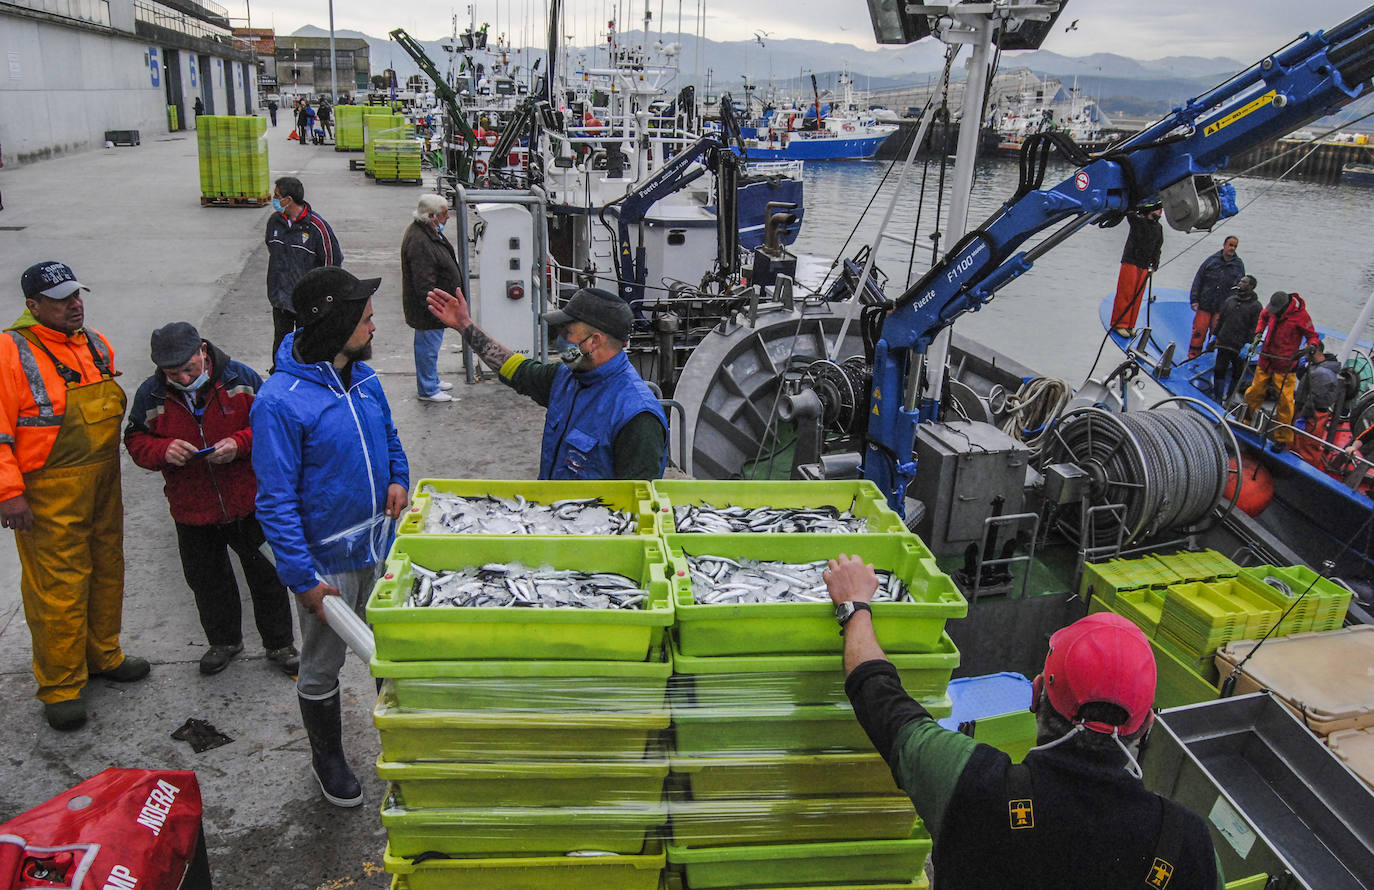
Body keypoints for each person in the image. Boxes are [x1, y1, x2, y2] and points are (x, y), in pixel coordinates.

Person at [824, 554, 1223, 889]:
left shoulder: (971, 783)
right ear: (1147, 723)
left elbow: (879, 698)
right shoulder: (1186, 842)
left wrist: (854, 606)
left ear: (1035, 694)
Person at [251, 266, 409, 807]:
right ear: (335, 323)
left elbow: (389, 433)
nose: (374, 327)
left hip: (379, 548)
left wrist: (397, 478)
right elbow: (274, 501)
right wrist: (303, 580)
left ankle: (403, 740)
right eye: (365, 319)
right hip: (327, 566)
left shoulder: (363, 376)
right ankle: (328, 756)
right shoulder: (279, 401)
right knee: (322, 665)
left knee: (387, 649)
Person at [0, 262, 148, 731]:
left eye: (76, 295)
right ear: (33, 306)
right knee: (58, 586)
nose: (74, 304)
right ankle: (61, 685)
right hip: (47, 490)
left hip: (102, 482)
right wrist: (9, 493)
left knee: (107, 567)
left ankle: (103, 654)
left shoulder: (96, 343)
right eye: (62, 299)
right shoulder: (11, 351)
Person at [124, 322, 298, 677]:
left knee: (267, 575)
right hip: (192, 510)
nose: (185, 379)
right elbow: (135, 441)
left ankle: (280, 644)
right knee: (207, 580)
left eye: (189, 368)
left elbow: (272, 426)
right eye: (174, 373)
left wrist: (239, 444)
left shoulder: (242, 380)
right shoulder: (151, 396)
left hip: (250, 504)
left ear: (203, 351)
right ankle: (224, 642)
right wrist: (163, 449)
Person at [427, 286, 668, 479]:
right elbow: (516, 369)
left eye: (566, 332)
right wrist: (465, 326)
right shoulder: (566, 377)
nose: (559, 340)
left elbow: (638, 510)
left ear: (593, 341)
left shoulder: (637, 416)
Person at [266, 176, 341, 367]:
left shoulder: (317, 227)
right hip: (280, 299)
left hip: (307, 304)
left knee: (306, 348)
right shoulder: (275, 222)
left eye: (277, 196)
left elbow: (332, 264)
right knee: (281, 346)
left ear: (288, 200)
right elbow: (273, 251)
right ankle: (280, 379)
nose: (273, 199)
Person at [1244, 291, 1320, 453]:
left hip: (1285, 366)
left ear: (1285, 307)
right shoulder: (1272, 310)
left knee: (1285, 402)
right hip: (1266, 360)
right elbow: (1263, 316)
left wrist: (1309, 348)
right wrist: (1259, 332)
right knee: (1254, 392)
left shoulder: (1301, 317)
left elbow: (1312, 336)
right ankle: (1246, 420)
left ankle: (1282, 438)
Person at [401, 195, 459, 403]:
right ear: (432, 216)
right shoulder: (420, 241)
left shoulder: (427, 232)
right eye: (444, 213)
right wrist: (437, 306)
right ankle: (427, 388)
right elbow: (424, 281)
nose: (448, 217)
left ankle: (431, 379)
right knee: (427, 348)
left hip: (435, 306)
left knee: (431, 347)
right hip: (429, 308)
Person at [1108, 201, 1163, 336]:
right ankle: (1119, 323)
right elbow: (1130, 211)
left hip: (1145, 265)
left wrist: (1154, 265)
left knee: (1137, 297)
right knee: (1126, 293)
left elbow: (1157, 248)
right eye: (1158, 210)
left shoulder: (1158, 228)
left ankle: (1130, 325)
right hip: (1131, 261)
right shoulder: (1137, 221)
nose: (1160, 213)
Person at [1188, 235, 1244, 359]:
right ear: (1224, 245)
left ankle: (1209, 359)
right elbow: (1198, 280)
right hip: (1205, 304)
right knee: (1198, 332)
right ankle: (1192, 357)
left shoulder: (1238, 265)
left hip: (1222, 308)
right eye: (1230, 245)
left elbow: (1239, 288)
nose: (1232, 248)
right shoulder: (1211, 261)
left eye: (1235, 246)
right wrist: (1194, 299)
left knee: (1216, 335)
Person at [1209, 274, 1260, 402]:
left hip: (1240, 346)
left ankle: (1230, 397)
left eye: (1244, 282)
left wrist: (1248, 344)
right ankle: (1218, 397)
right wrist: (1214, 335)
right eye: (1241, 281)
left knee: (1237, 372)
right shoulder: (1230, 301)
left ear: (1251, 286)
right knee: (1219, 369)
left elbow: (1254, 327)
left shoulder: (1256, 306)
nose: (1241, 283)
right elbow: (1221, 319)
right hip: (1224, 342)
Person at [1292, 344, 1343, 467]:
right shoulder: (1316, 367)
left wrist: (1303, 417)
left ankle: (1305, 472)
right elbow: (1306, 382)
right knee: (1297, 443)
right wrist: (1301, 369)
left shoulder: (1322, 373)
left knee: (1308, 447)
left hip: (1313, 416)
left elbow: (1314, 399)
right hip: (1308, 411)